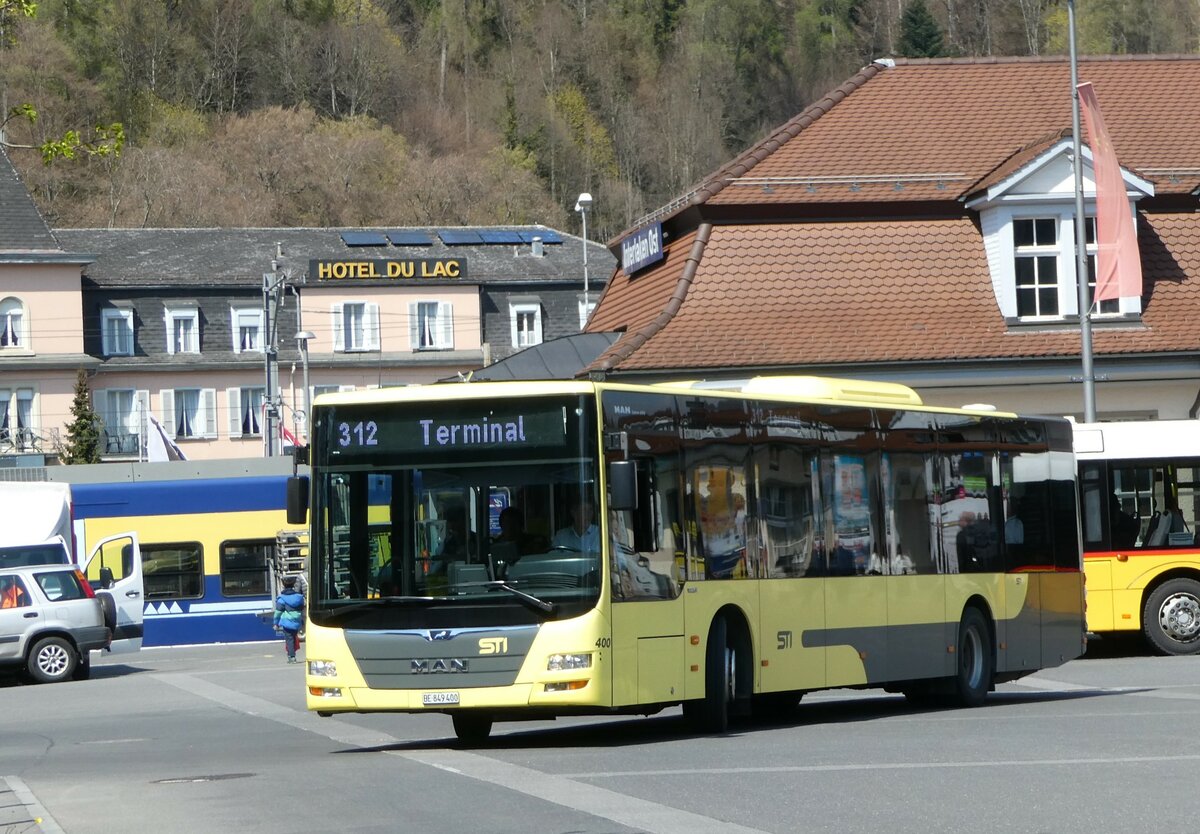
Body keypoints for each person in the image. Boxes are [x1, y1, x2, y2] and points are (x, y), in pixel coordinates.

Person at [273, 575, 305, 663]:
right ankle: (292, 653)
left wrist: (276, 623)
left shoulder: (282, 598)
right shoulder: (299, 597)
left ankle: (292, 657)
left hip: (287, 621)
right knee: (294, 637)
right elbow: (302, 607)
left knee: (289, 639)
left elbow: (278, 612)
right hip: (297, 620)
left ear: (284, 585)